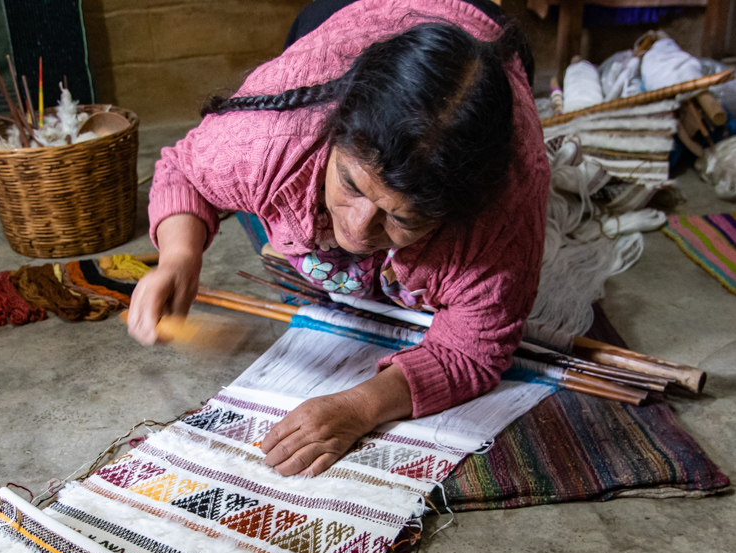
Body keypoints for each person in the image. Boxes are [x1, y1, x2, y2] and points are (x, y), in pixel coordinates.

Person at [128, 0, 549, 478]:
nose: (356, 228)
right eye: (350, 184)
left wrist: (361, 407)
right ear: (332, 133)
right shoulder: (273, 134)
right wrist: (179, 257)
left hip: (487, 26)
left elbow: (470, 351)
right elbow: (186, 170)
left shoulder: (505, 209)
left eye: (398, 216)